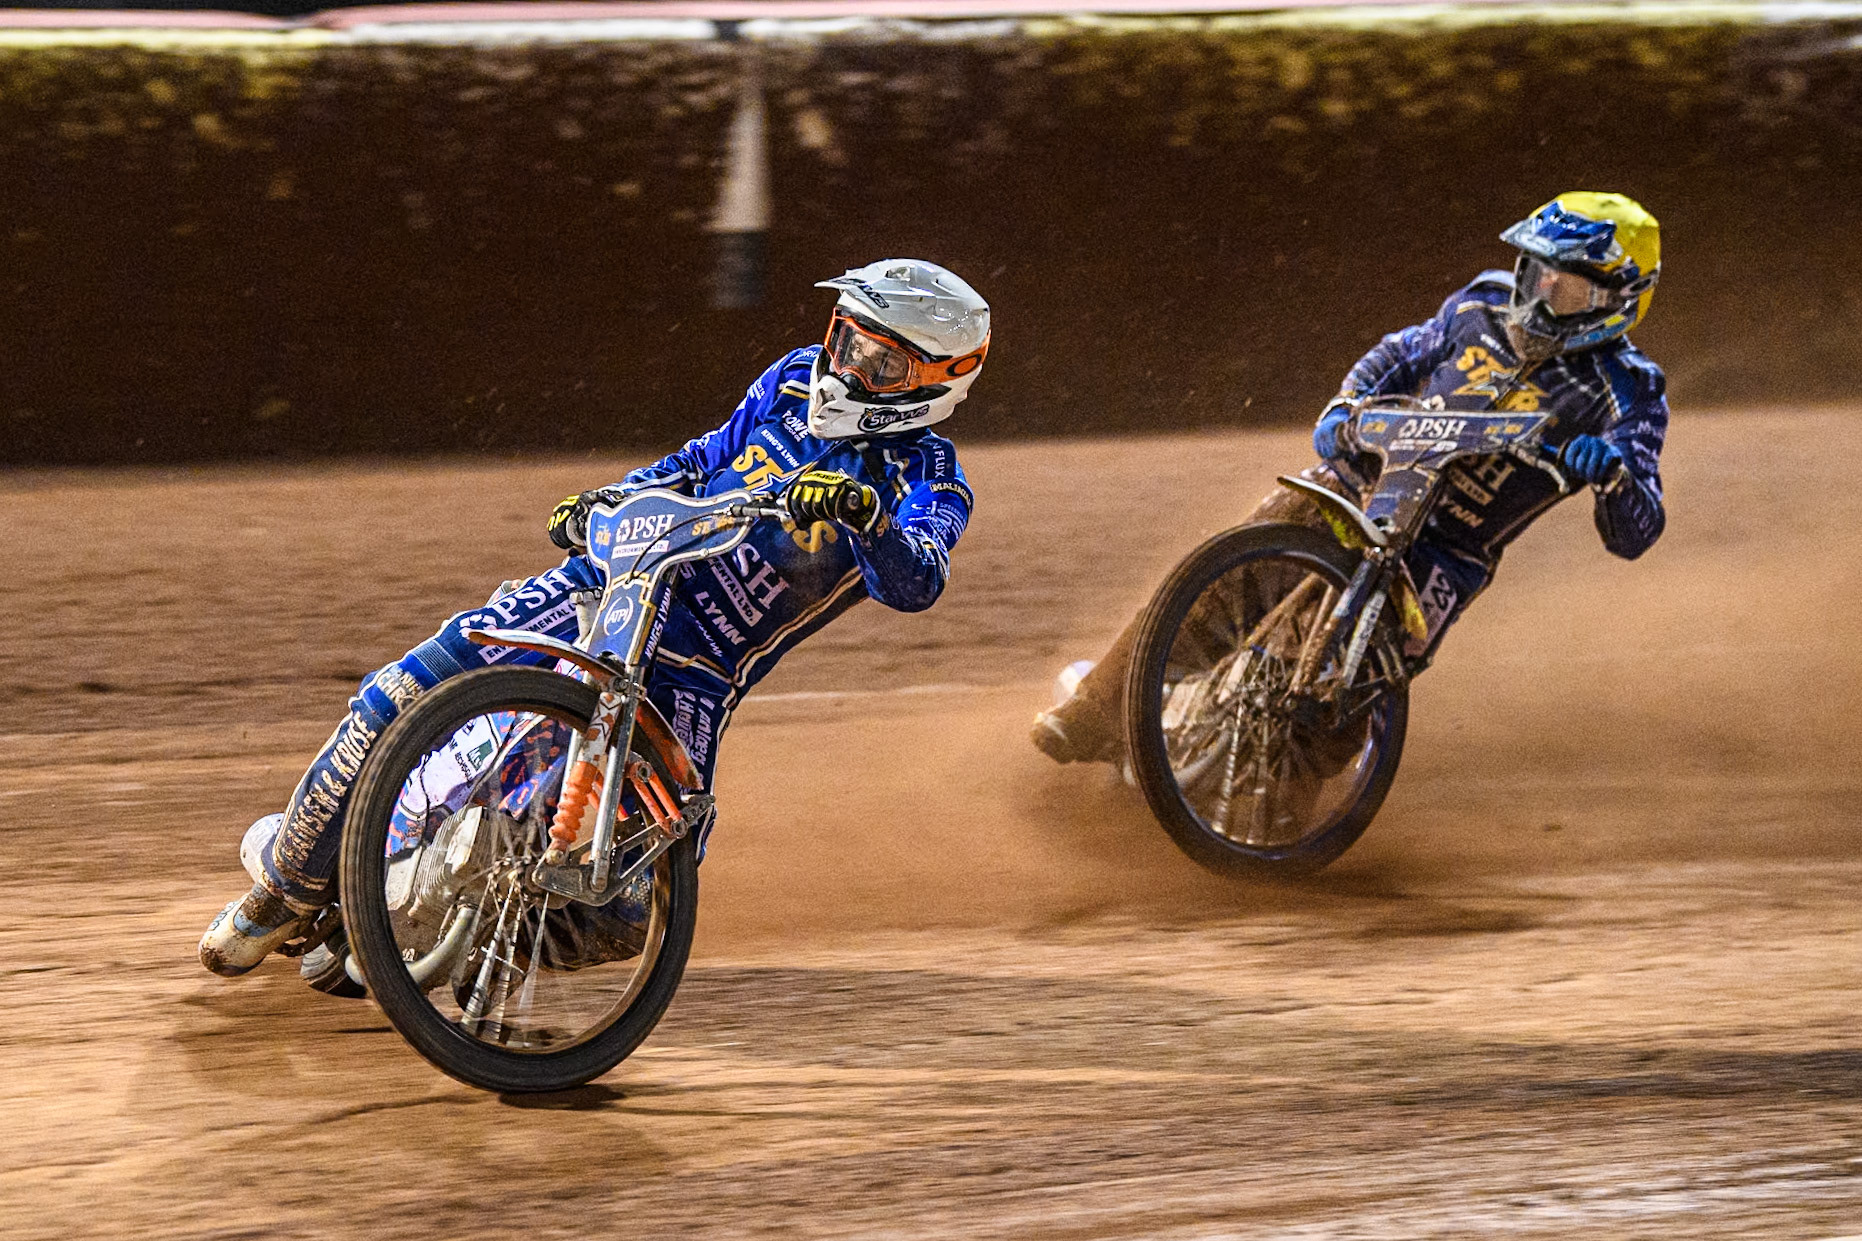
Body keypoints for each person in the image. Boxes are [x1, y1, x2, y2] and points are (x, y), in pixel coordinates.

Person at [201, 258, 990, 977]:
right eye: (847, 340)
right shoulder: (788, 382)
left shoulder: (929, 475)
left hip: (695, 663)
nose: (847, 366)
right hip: (609, 582)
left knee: (630, 908)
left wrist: (869, 519)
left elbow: (920, 578)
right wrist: (609, 499)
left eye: (879, 361)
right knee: (402, 692)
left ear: (936, 381)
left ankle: (475, 946)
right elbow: (695, 461)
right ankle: (284, 888)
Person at [1033, 191, 1668, 764]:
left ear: (1615, 299)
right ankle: (1093, 711)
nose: (1536, 296)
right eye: (1535, 272)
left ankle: (1276, 823)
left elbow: (1638, 530)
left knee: (1336, 718)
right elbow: (1401, 351)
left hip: (1445, 553)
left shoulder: (1630, 390)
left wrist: (1612, 478)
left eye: (1564, 288)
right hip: (1360, 482)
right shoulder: (1481, 302)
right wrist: (1347, 403)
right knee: (1220, 588)